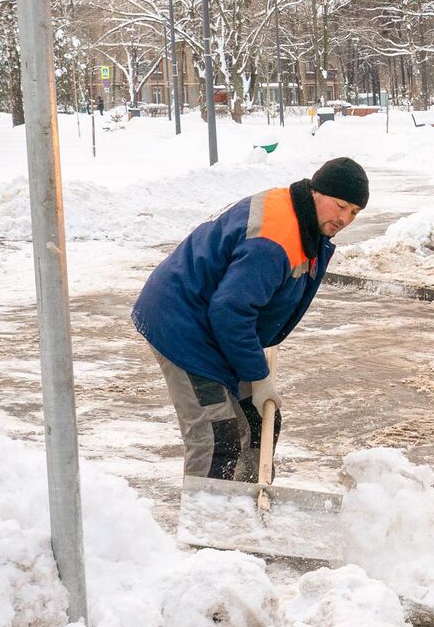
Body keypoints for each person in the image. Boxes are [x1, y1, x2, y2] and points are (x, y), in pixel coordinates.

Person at [133, 157, 368, 481]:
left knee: (260, 419)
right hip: (182, 324)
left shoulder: (302, 222)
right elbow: (230, 311)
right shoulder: (276, 239)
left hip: (212, 324)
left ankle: (246, 504)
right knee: (217, 436)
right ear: (317, 192)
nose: (345, 218)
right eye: (340, 205)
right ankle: (209, 524)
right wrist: (257, 376)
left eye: (354, 212)